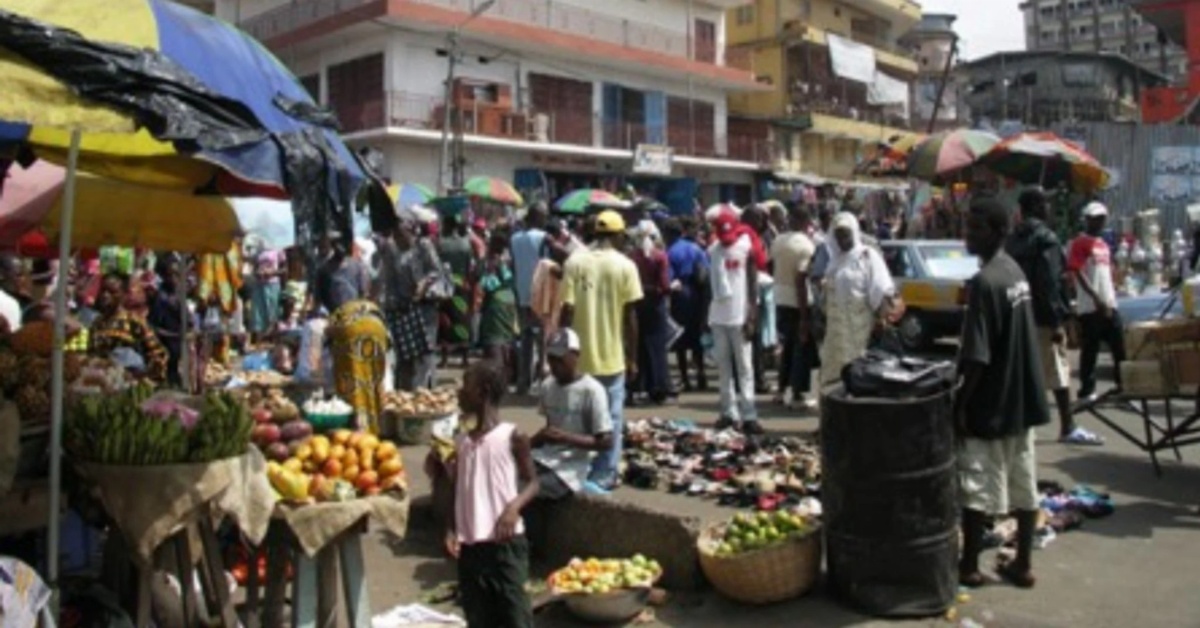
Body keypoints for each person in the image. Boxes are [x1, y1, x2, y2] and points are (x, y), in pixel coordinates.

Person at [957, 197, 1051, 590]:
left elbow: (977, 356)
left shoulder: (985, 282)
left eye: (976, 228)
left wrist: (959, 405)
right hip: (1023, 400)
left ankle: (969, 567)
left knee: (976, 488)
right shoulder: (1014, 272)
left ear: (998, 232)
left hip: (993, 403)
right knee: (1023, 484)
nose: (968, 235)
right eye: (967, 226)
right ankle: (1023, 564)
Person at [444, 360, 538, 628]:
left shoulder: (513, 436)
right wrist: (451, 528)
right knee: (478, 616)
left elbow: (533, 483)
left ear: (483, 392)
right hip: (471, 546)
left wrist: (513, 508)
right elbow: (456, 489)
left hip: (506, 545)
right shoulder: (461, 443)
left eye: (466, 387)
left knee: (515, 615)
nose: (460, 393)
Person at [1007, 189, 1103, 445]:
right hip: (1043, 315)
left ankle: (1021, 424)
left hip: (1018, 314)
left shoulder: (1012, 240)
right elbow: (1049, 282)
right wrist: (1058, 320)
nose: (1050, 208)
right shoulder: (1046, 239)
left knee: (1025, 371)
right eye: (1046, 204)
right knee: (1059, 372)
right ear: (1037, 207)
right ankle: (1068, 426)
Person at [560, 210, 642, 489]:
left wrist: (560, 351)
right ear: (618, 235)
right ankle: (605, 473)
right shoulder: (625, 266)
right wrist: (632, 358)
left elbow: (567, 311)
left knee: (577, 418)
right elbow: (631, 317)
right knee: (612, 419)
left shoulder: (575, 262)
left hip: (578, 359)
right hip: (611, 358)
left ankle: (575, 469)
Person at [818, 212, 897, 387]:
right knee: (833, 378)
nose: (842, 240)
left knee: (858, 376)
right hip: (836, 334)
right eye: (838, 236)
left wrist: (881, 320)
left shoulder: (867, 257)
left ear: (854, 233)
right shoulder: (834, 263)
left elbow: (881, 289)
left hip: (860, 332)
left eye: (845, 235)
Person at [532, 328, 613, 499]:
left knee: (528, 487)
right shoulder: (548, 385)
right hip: (545, 457)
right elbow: (550, 425)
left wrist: (565, 438)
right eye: (551, 359)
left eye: (560, 360)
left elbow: (605, 441)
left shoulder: (592, 390)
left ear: (575, 356)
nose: (555, 365)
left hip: (570, 468)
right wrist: (540, 438)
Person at [708, 210, 762, 435]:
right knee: (724, 368)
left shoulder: (745, 246)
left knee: (745, 367)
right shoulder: (713, 251)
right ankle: (729, 412)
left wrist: (752, 313)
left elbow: (752, 280)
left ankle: (749, 414)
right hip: (719, 317)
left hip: (740, 316)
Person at [1069, 201, 1125, 402]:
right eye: (1095, 218)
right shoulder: (1080, 243)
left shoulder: (1102, 244)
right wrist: (1095, 297)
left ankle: (1122, 385)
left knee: (1119, 347)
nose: (1099, 222)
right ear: (1087, 220)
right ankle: (1086, 389)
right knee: (1090, 348)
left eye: (1101, 218)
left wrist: (1112, 291)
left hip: (1109, 302)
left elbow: (1106, 272)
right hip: (1091, 306)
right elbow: (1076, 270)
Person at [378, 218, 442, 391]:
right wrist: (384, 305)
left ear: (410, 232)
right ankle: (404, 394)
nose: (398, 238)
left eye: (401, 234)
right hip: (403, 309)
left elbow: (437, 271)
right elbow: (388, 281)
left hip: (425, 307)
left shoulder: (423, 247)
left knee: (425, 356)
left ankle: (424, 392)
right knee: (404, 359)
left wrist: (424, 283)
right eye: (396, 235)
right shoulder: (392, 250)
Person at [770, 205, 817, 409]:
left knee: (787, 346)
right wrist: (806, 317)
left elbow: (772, 266)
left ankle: (781, 391)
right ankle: (797, 395)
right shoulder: (806, 246)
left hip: (780, 298)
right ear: (806, 223)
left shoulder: (778, 240)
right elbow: (801, 280)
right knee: (801, 349)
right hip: (799, 302)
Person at [91, 272, 169, 382]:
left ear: (123, 294)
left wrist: (148, 378)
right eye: (103, 290)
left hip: (129, 381)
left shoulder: (133, 321)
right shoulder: (97, 322)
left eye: (112, 292)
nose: (105, 295)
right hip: (102, 382)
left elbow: (158, 352)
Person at [327, 300, 389, 431]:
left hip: (349, 330)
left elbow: (329, 337)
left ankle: (357, 427)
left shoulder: (334, 312)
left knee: (351, 382)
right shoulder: (366, 303)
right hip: (378, 328)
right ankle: (376, 426)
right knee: (374, 381)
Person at [629, 223, 673, 405]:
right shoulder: (659, 257)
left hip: (638, 304)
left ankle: (638, 385)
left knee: (639, 346)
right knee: (657, 348)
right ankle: (658, 387)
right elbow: (664, 286)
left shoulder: (632, 257)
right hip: (655, 305)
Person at [665, 218, 709, 392]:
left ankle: (685, 379)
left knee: (680, 340)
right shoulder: (697, 249)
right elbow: (706, 272)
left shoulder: (671, 252)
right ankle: (701, 373)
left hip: (680, 295)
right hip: (697, 295)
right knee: (697, 338)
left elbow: (669, 278)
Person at [511, 203, 549, 394]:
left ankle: (523, 381)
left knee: (525, 337)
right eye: (544, 216)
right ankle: (542, 380)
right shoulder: (543, 238)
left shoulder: (514, 239)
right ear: (538, 217)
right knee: (543, 339)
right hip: (540, 294)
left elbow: (513, 266)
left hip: (521, 293)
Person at [478, 232, 520, 384]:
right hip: (509, 303)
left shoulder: (490, 263)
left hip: (495, 305)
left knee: (494, 343)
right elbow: (511, 282)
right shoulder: (509, 261)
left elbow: (487, 285)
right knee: (506, 342)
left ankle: (495, 379)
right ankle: (505, 375)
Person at [437, 215, 476, 368]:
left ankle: (445, 358)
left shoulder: (441, 244)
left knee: (445, 321)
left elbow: (438, 266)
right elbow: (470, 267)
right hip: (463, 285)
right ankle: (465, 358)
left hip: (446, 285)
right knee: (463, 320)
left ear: (447, 226)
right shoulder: (466, 244)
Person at [249, 245, 286, 342]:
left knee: (272, 313)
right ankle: (259, 343)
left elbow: (284, 269)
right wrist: (257, 273)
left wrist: (272, 273)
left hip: (272, 285)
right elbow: (254, 268)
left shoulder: (279, 249)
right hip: (259, 285)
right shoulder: (258, 249)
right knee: (258, 315)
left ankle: (274, 342)